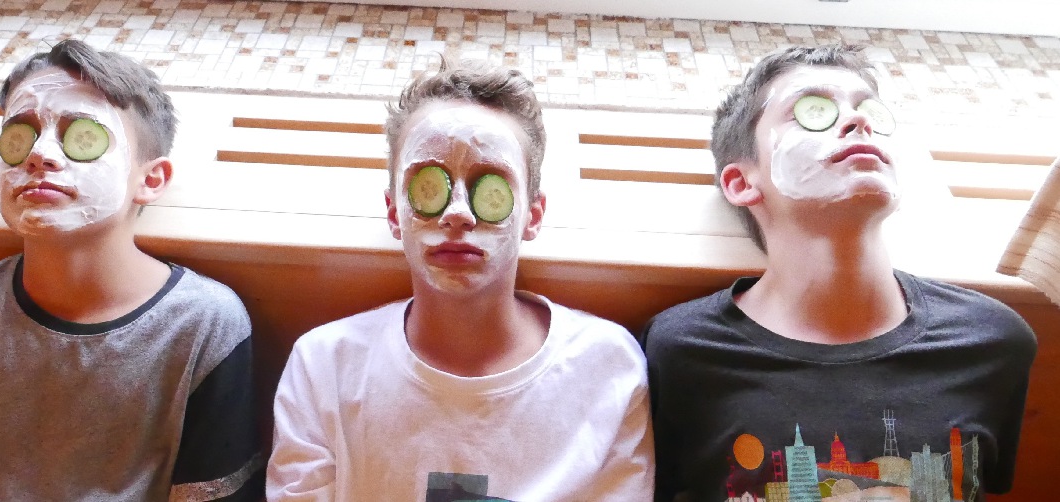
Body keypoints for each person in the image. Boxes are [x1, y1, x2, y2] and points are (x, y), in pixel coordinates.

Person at [642, 45, 1037, 502]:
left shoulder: (992, 340)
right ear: (741, 182)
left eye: (870, 110)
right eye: (813, 111)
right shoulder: (681, 351)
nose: (857, 121)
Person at [267, 58, 654, 501]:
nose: (457, 213)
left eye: (490, 187)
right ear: (394, 213)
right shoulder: (323, 369)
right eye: (429, 187)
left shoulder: (608, 370)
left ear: (533, 215)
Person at [0, 39, 263, 501]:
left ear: (150, 180)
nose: (39, 154)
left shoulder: (204, 325)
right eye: (20, 136)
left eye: (82, 137)